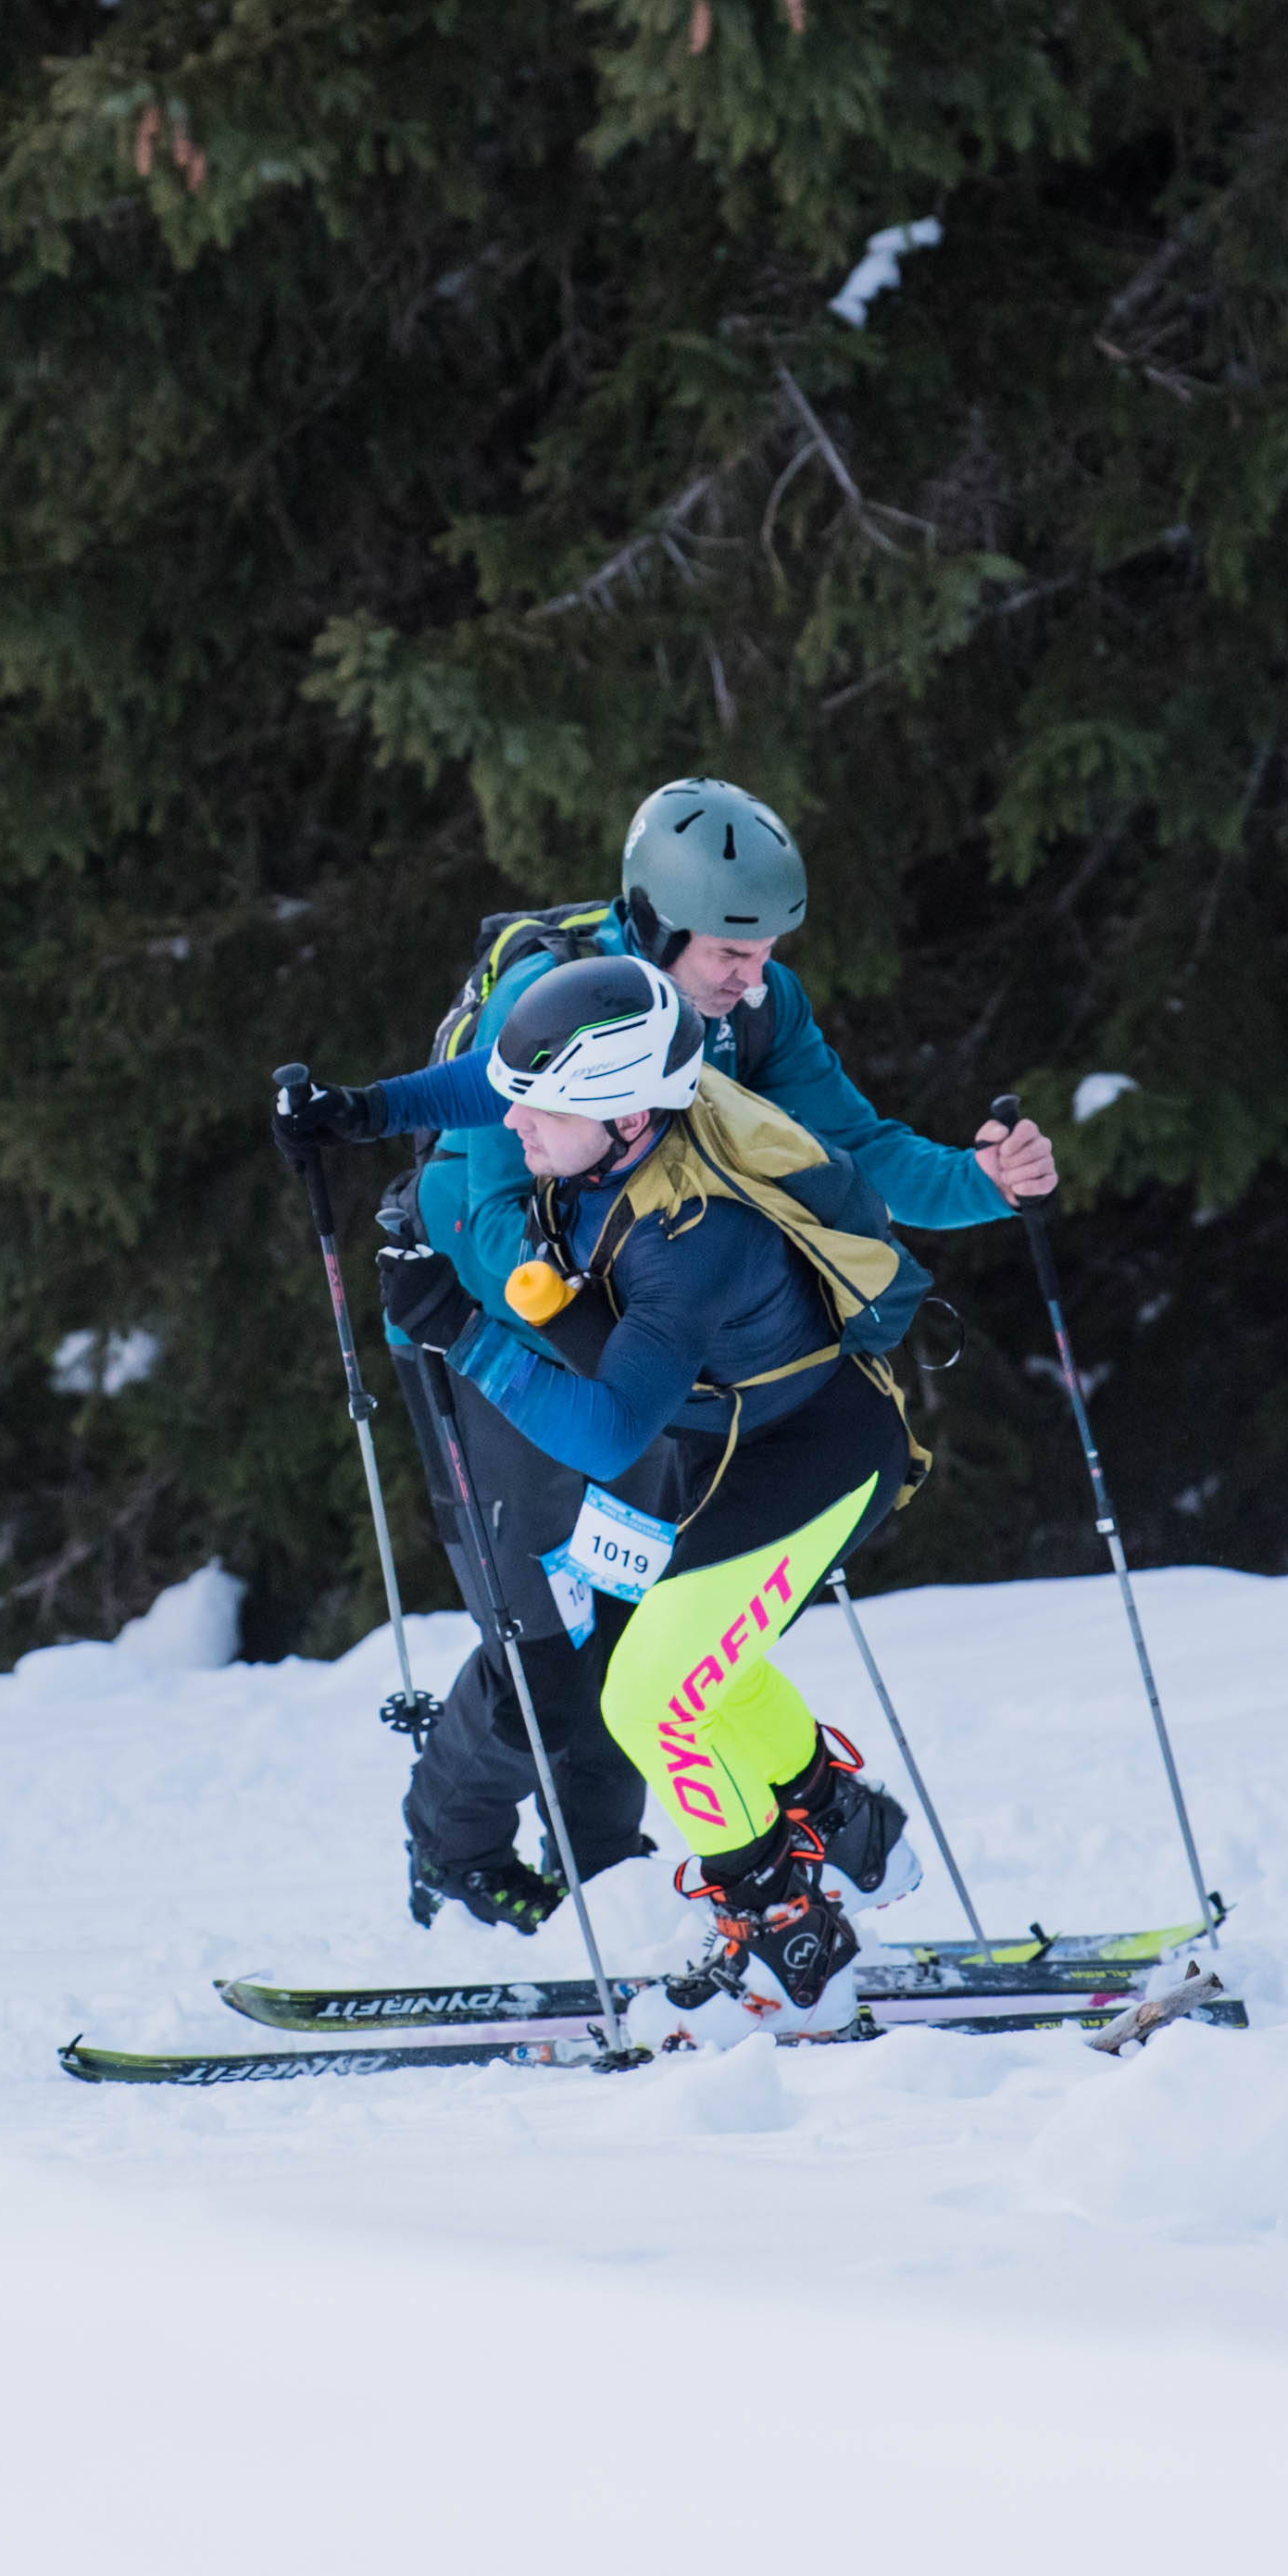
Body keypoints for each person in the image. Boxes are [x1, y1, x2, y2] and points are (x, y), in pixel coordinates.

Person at [359, 778, 1053, 1935]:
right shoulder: (544, 1004)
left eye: (770, 948)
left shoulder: (751, 1012)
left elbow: (849, 1147)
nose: (756, 973)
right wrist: (585, 1339)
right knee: (550, 1644)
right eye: (732, 950)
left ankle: (616, 1889)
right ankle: (460, 1855)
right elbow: (487, 1224)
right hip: (489, 1333)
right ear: (653, 921)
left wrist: (983, 1182)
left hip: (645, 1354)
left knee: (639, 1621)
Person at [278, 946, 1019, 2026]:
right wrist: (362, 1110)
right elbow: (493, 1083)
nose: (510, 1126)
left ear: (623, 1115)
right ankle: (847, 1826)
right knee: (706, 1667)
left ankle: (783, 1932)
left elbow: (609, 1427)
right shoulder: (621, 1117)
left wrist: (463, 1332)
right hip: (745, 1443)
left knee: (650, 1695)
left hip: (817, 1459)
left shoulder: (690, 1236)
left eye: (541, 1110)